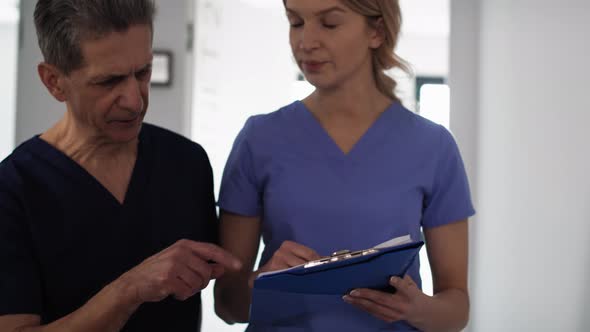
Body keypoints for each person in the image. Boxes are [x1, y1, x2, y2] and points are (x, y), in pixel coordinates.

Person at [214, 0, 475, 330]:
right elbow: (227, 305)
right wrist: (262, 281)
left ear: (376, 31)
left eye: (330, 24)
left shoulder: (433, 147)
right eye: (296, 23)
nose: (306, 42)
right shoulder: (258, 139)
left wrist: (415, 308)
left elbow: (456, 310)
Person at [0, 1, 242, 331]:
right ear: (54, 81)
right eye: (109, 82)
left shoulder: (186, 163)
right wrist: (130, 290)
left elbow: (230, 300)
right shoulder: (13, 190)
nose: (135, 100)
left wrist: (279, 278)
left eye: (143, 73)